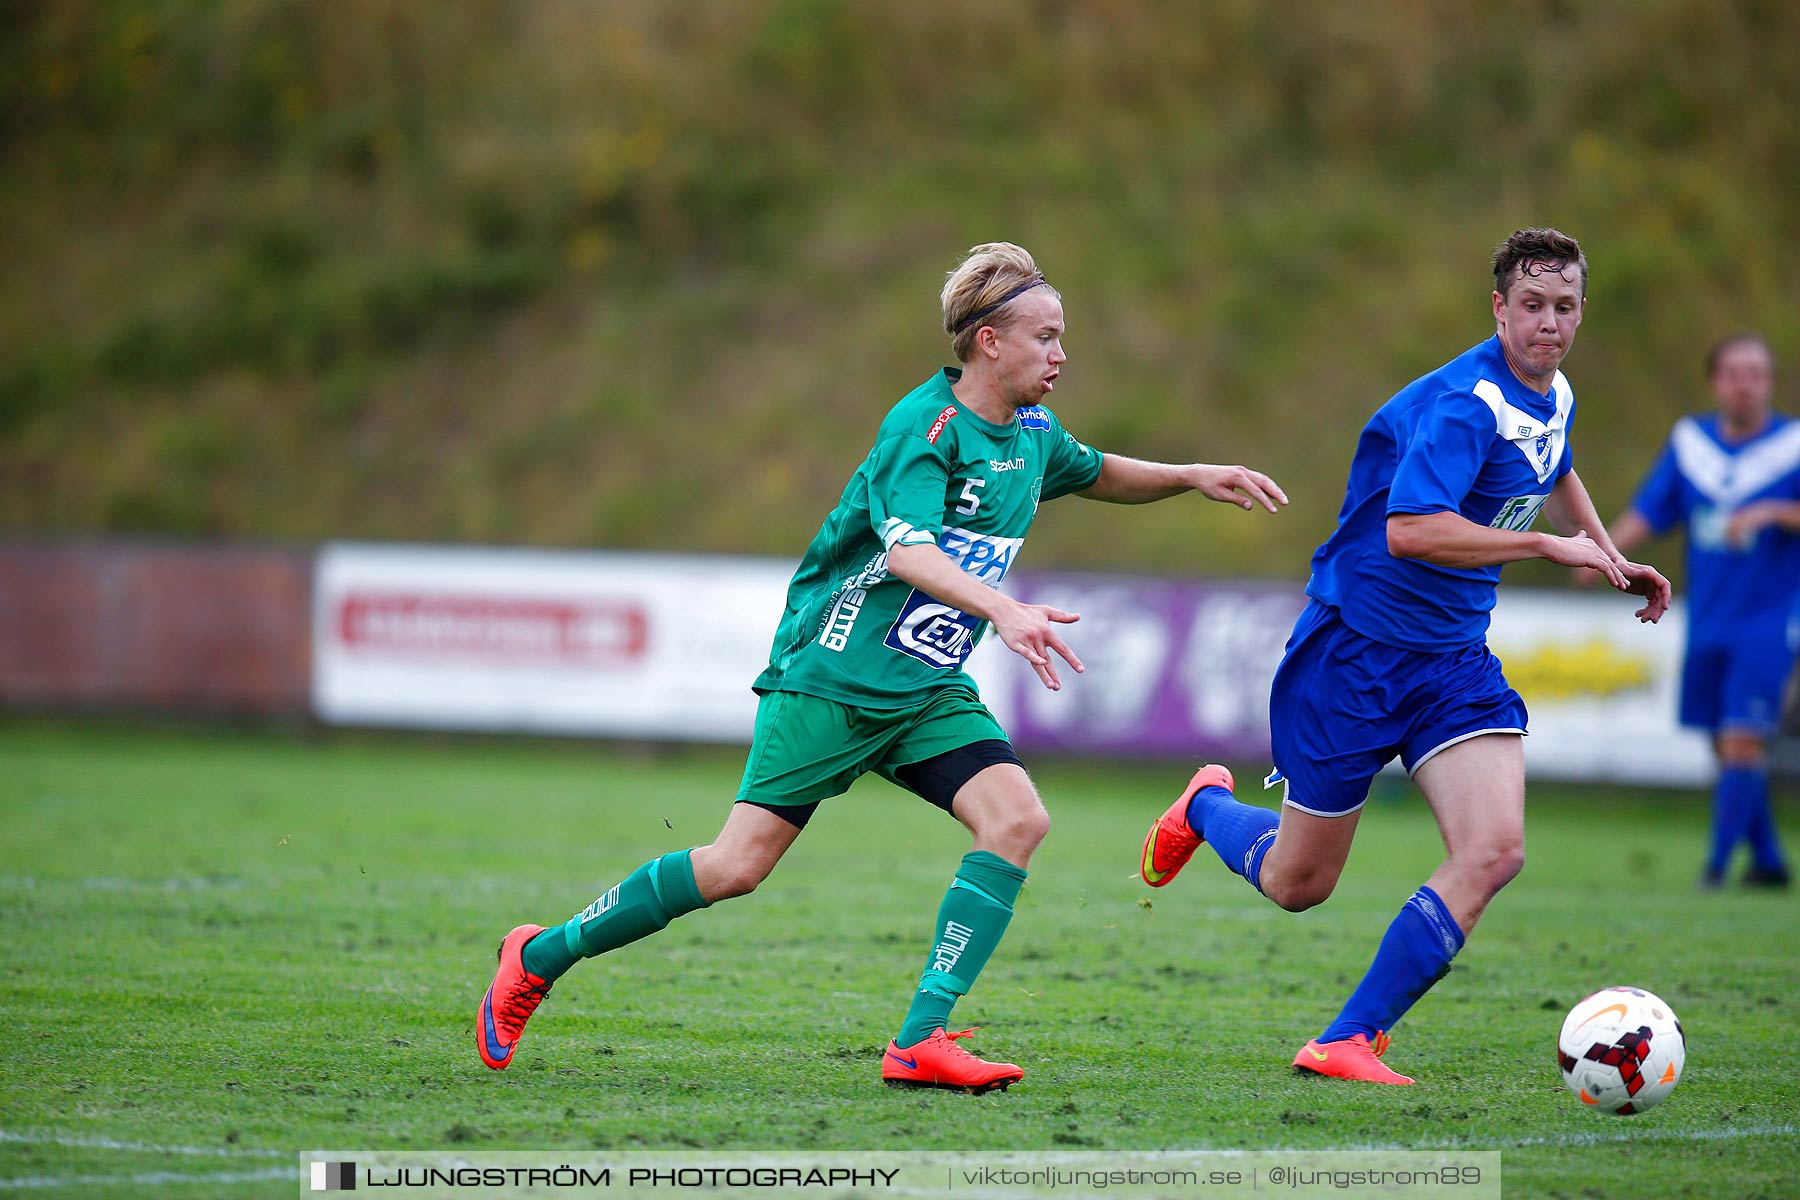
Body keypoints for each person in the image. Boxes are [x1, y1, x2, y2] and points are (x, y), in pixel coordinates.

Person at [477, 242, 1288, 1092]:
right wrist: (1003, 607)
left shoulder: (1035, 434)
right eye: (1045, 337)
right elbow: (907, 554)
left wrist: (1192, 474)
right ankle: (538, 955)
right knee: (734, 868)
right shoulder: (923, 429)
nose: (1060, 355)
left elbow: (1097, 473)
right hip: (833, 677)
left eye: (1062, 338)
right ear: (988, 341)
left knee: (1016, 821)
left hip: (926, 689)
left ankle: (920, 1039)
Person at [1138, 228, 1672, 1085]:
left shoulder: (1553, 390)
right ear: (1498, 310)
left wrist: (1605, 554)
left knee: (1495, 850)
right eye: (1531, 306)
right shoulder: (1468, 403)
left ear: (1580, 312)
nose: (1549, 323)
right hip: (1358, 652)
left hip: (1453, 660)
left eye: (1564, 307)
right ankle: (1205, 807)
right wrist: (1547, 551)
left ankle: (1349, 1037)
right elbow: (1410, 529)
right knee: (1298, 883)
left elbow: (1555, 463)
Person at [1603, 333, 1800, 888]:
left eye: (1756, 373)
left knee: (1743, 739)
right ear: (1716, 381)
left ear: (1770, 381)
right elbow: (1651, 509)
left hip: (1769, 622)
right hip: (1709, 619)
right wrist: (1602, 554)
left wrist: (1771, 513)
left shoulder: (1792, 445)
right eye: (1735, 372)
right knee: (1724, 743)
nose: (1745, 383)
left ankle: (1713, 871)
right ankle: (1768, 862)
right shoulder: (1692, 444)